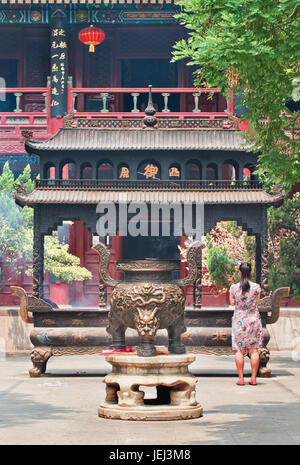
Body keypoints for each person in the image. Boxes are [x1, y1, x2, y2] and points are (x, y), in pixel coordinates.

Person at [229, 262, 263, 386]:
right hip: (253, 320)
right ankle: (253, 378)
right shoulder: (256, 287)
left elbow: (232, 303)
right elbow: (256, 302)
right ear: (250, 273)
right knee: (254, 350)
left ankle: (241, 378)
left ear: (239, 273)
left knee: (239, 350)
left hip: (239, 321)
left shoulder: (233, 288)